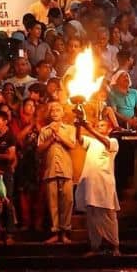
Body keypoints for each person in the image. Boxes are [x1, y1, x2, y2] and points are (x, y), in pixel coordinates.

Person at [75, 119, 121, 257]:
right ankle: (95, 247)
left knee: (109, 216)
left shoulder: (113, 141)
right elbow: (79, 139)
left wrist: (88, 127)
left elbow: (104, 141)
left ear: (109, 129)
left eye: (102, 125)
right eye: (98, 125)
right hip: (90, 184)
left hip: (104, 184)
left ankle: (115, 247)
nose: (99, 127)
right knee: (92, 217)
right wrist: (78, 126)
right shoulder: (92, 141)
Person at [37, 102, 76, 244]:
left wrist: (58, 134)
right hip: (51, 170)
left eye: (57, 110)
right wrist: (51, 138)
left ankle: (65, 231)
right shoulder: (44, 130)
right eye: (52, 110)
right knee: (52, 203)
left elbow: (72, 145)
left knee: (67, 201)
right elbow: (40, 149)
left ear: (63, 113)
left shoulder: (70, 128)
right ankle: (55, 231)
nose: (54, 112)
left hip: (66, 169)